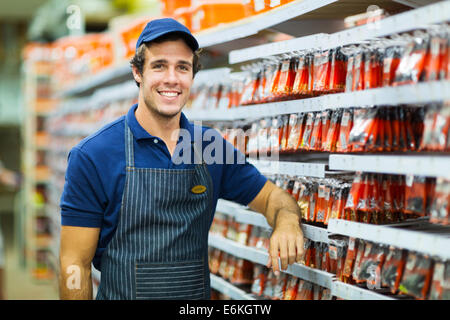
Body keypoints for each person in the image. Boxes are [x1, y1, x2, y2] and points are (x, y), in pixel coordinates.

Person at [58, 18, 304, 300]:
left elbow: (274, 198)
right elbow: (74, 263)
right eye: (159, 65)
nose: (172, 78)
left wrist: (286, 222)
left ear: (192, 76)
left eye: (182, 67)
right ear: (138, 72)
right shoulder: (94, 155)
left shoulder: (210, 148)